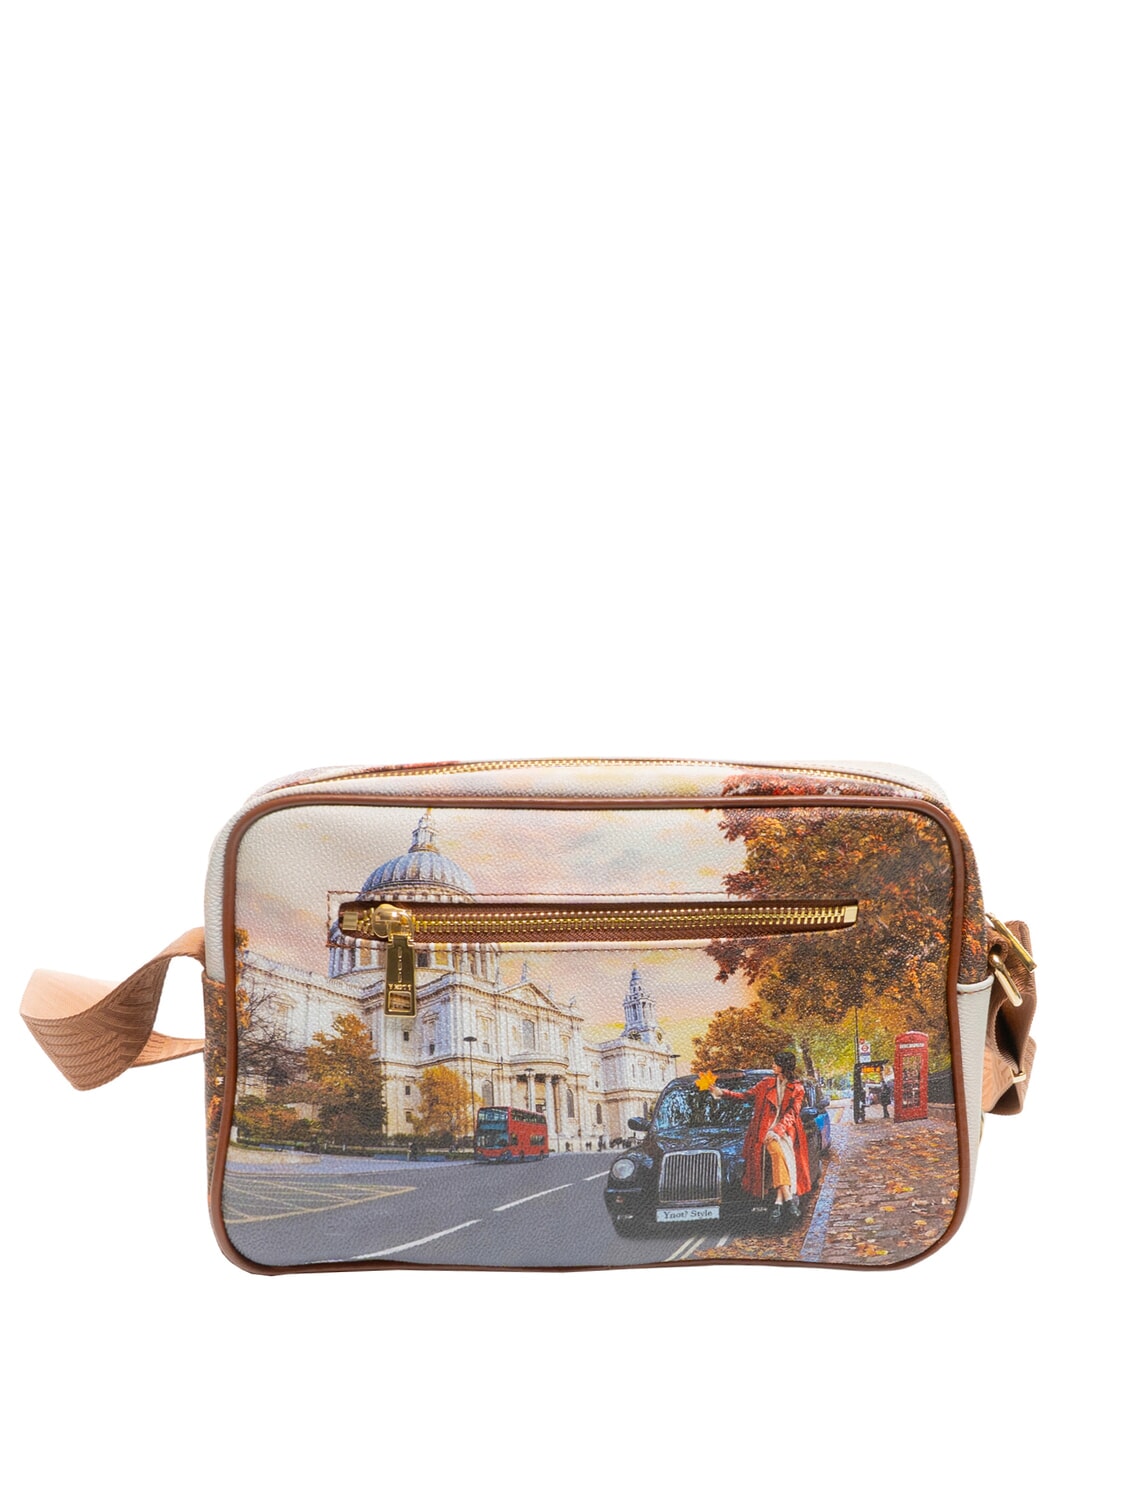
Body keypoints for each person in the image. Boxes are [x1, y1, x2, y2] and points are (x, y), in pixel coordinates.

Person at [713, 1052, 811, 1225]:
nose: (773, 1066)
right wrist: (722, 1092)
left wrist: (778, 1130)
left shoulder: (797, 1088)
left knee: (779, 1155)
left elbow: (792, 1113)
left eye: (776, 1063)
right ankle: (788, 1199)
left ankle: (779, 1202)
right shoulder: (765, 1084)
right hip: (765, 1129)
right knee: (777, 1152)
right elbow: (745, 1096)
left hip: (786, 1130)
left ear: (784, 1066)